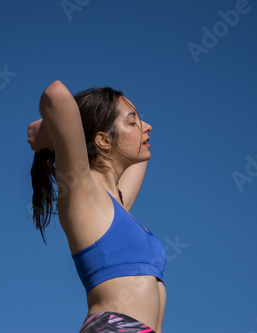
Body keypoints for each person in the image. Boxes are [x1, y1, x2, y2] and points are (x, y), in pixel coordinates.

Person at [27, 80, 167, 333]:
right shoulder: (82, 189)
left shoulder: (117, 204)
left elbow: (140, 160)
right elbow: (56, 93)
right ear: (102, 140)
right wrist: (49, 133)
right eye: (133, 121)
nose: (147, 127)